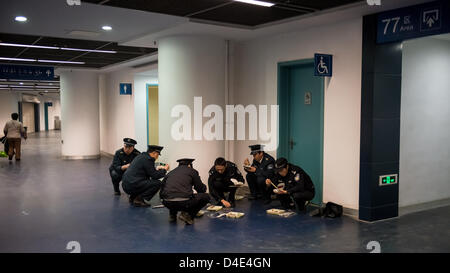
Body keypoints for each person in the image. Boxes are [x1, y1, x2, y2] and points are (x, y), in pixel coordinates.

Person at [160, 158, 210, 225]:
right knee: (206, 197)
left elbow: (162, 188)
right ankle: (188, 216)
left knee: (173, 193)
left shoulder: (171, 172)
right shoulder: (192, 171)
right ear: (189, 165)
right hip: (184, 203)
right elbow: (200, 189)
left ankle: (172, 215)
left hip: (167, 202)